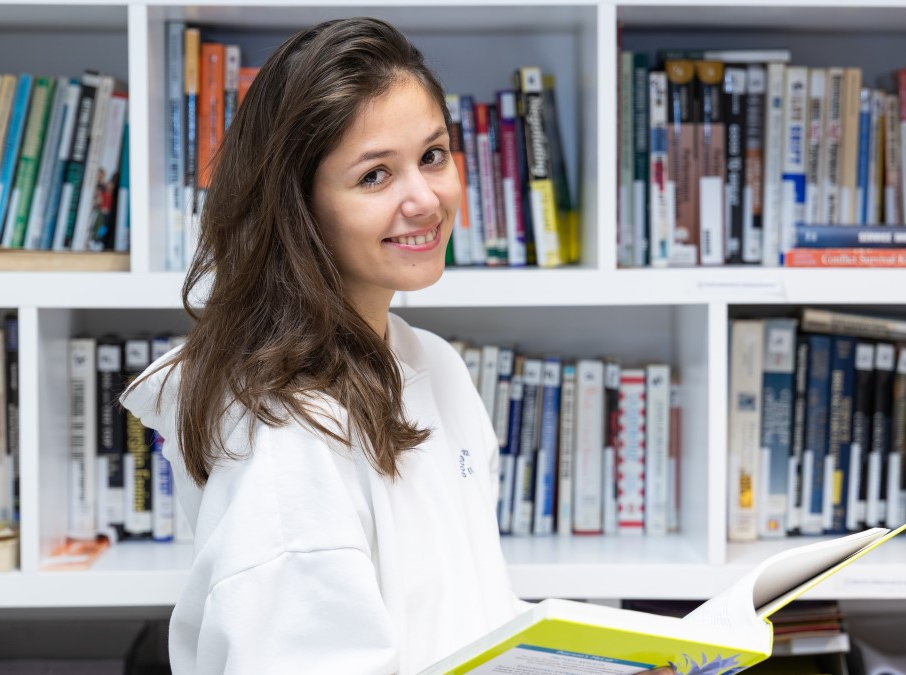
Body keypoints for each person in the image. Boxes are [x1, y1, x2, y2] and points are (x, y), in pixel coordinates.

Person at [122, 17, 676, 675]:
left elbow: (463, 615)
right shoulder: (286, 442)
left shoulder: (433, 364)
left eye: (433, 155)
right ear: (300, 210)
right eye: (376, 175)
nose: (425, 198)